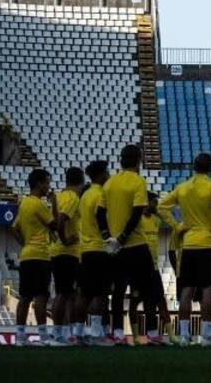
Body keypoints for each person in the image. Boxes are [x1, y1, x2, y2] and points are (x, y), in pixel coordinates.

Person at [159, 152, 211, 347]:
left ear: (193, 167)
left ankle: (184, 336)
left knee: (187, 291)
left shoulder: (182, 187)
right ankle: (207, 336)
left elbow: (162, 207)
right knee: (208, 289)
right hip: (208, 244)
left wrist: (177, 225)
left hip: (188, 245)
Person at [99, 144, 164, 345]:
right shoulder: (138, 181)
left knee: (118, 291)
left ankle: (118, 333)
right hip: (135, 243)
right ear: (139, 160)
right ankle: (152, 333)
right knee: (149, 289)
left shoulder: (110, 184)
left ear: (121, 160)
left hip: (117, 248)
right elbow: (137, 213)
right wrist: (123, 236)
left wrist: (108, 237)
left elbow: (99, 213)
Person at [9, 168, 58, 346]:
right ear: (38, 184)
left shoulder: (24, 203)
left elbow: (13, 228)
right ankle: (43, 336)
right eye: (46, 182)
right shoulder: (39, 204)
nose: (48, 186)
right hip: (41, 256)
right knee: (41, 297)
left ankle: (20, 337)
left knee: (25, 297)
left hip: (27, 255)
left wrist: (25, 243)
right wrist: (55, 203)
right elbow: (56, 225)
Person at [73, 160, 112, 345]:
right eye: (106, 172)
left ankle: (78, 331)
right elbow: (103, 219)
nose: (109, 175)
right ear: (100, 175)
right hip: (100, 248)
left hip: (85, 250)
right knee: (101, 293)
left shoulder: (85, 195)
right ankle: (96, 332)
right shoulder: (101, 195)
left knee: (85, 293)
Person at [128, 192, 170, 340]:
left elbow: (167, 218)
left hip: (153, 267)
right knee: (134, 302)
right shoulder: (136, 220)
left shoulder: (155, 220)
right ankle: (135, 337)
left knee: (155, 300)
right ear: (147, 203)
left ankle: (157, 334)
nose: (156, 205)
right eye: (154, 202)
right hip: (137, 267)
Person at [49, 166, 84, 344]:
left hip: (58, 253)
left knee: (69, 293)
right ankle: (57, 333)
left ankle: (66, 332)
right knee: (64, 294)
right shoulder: (72, 198)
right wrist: (65, 240)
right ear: (82, 181)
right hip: (67, 253)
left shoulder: (60, 196)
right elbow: (61, 220)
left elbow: (52, 222)